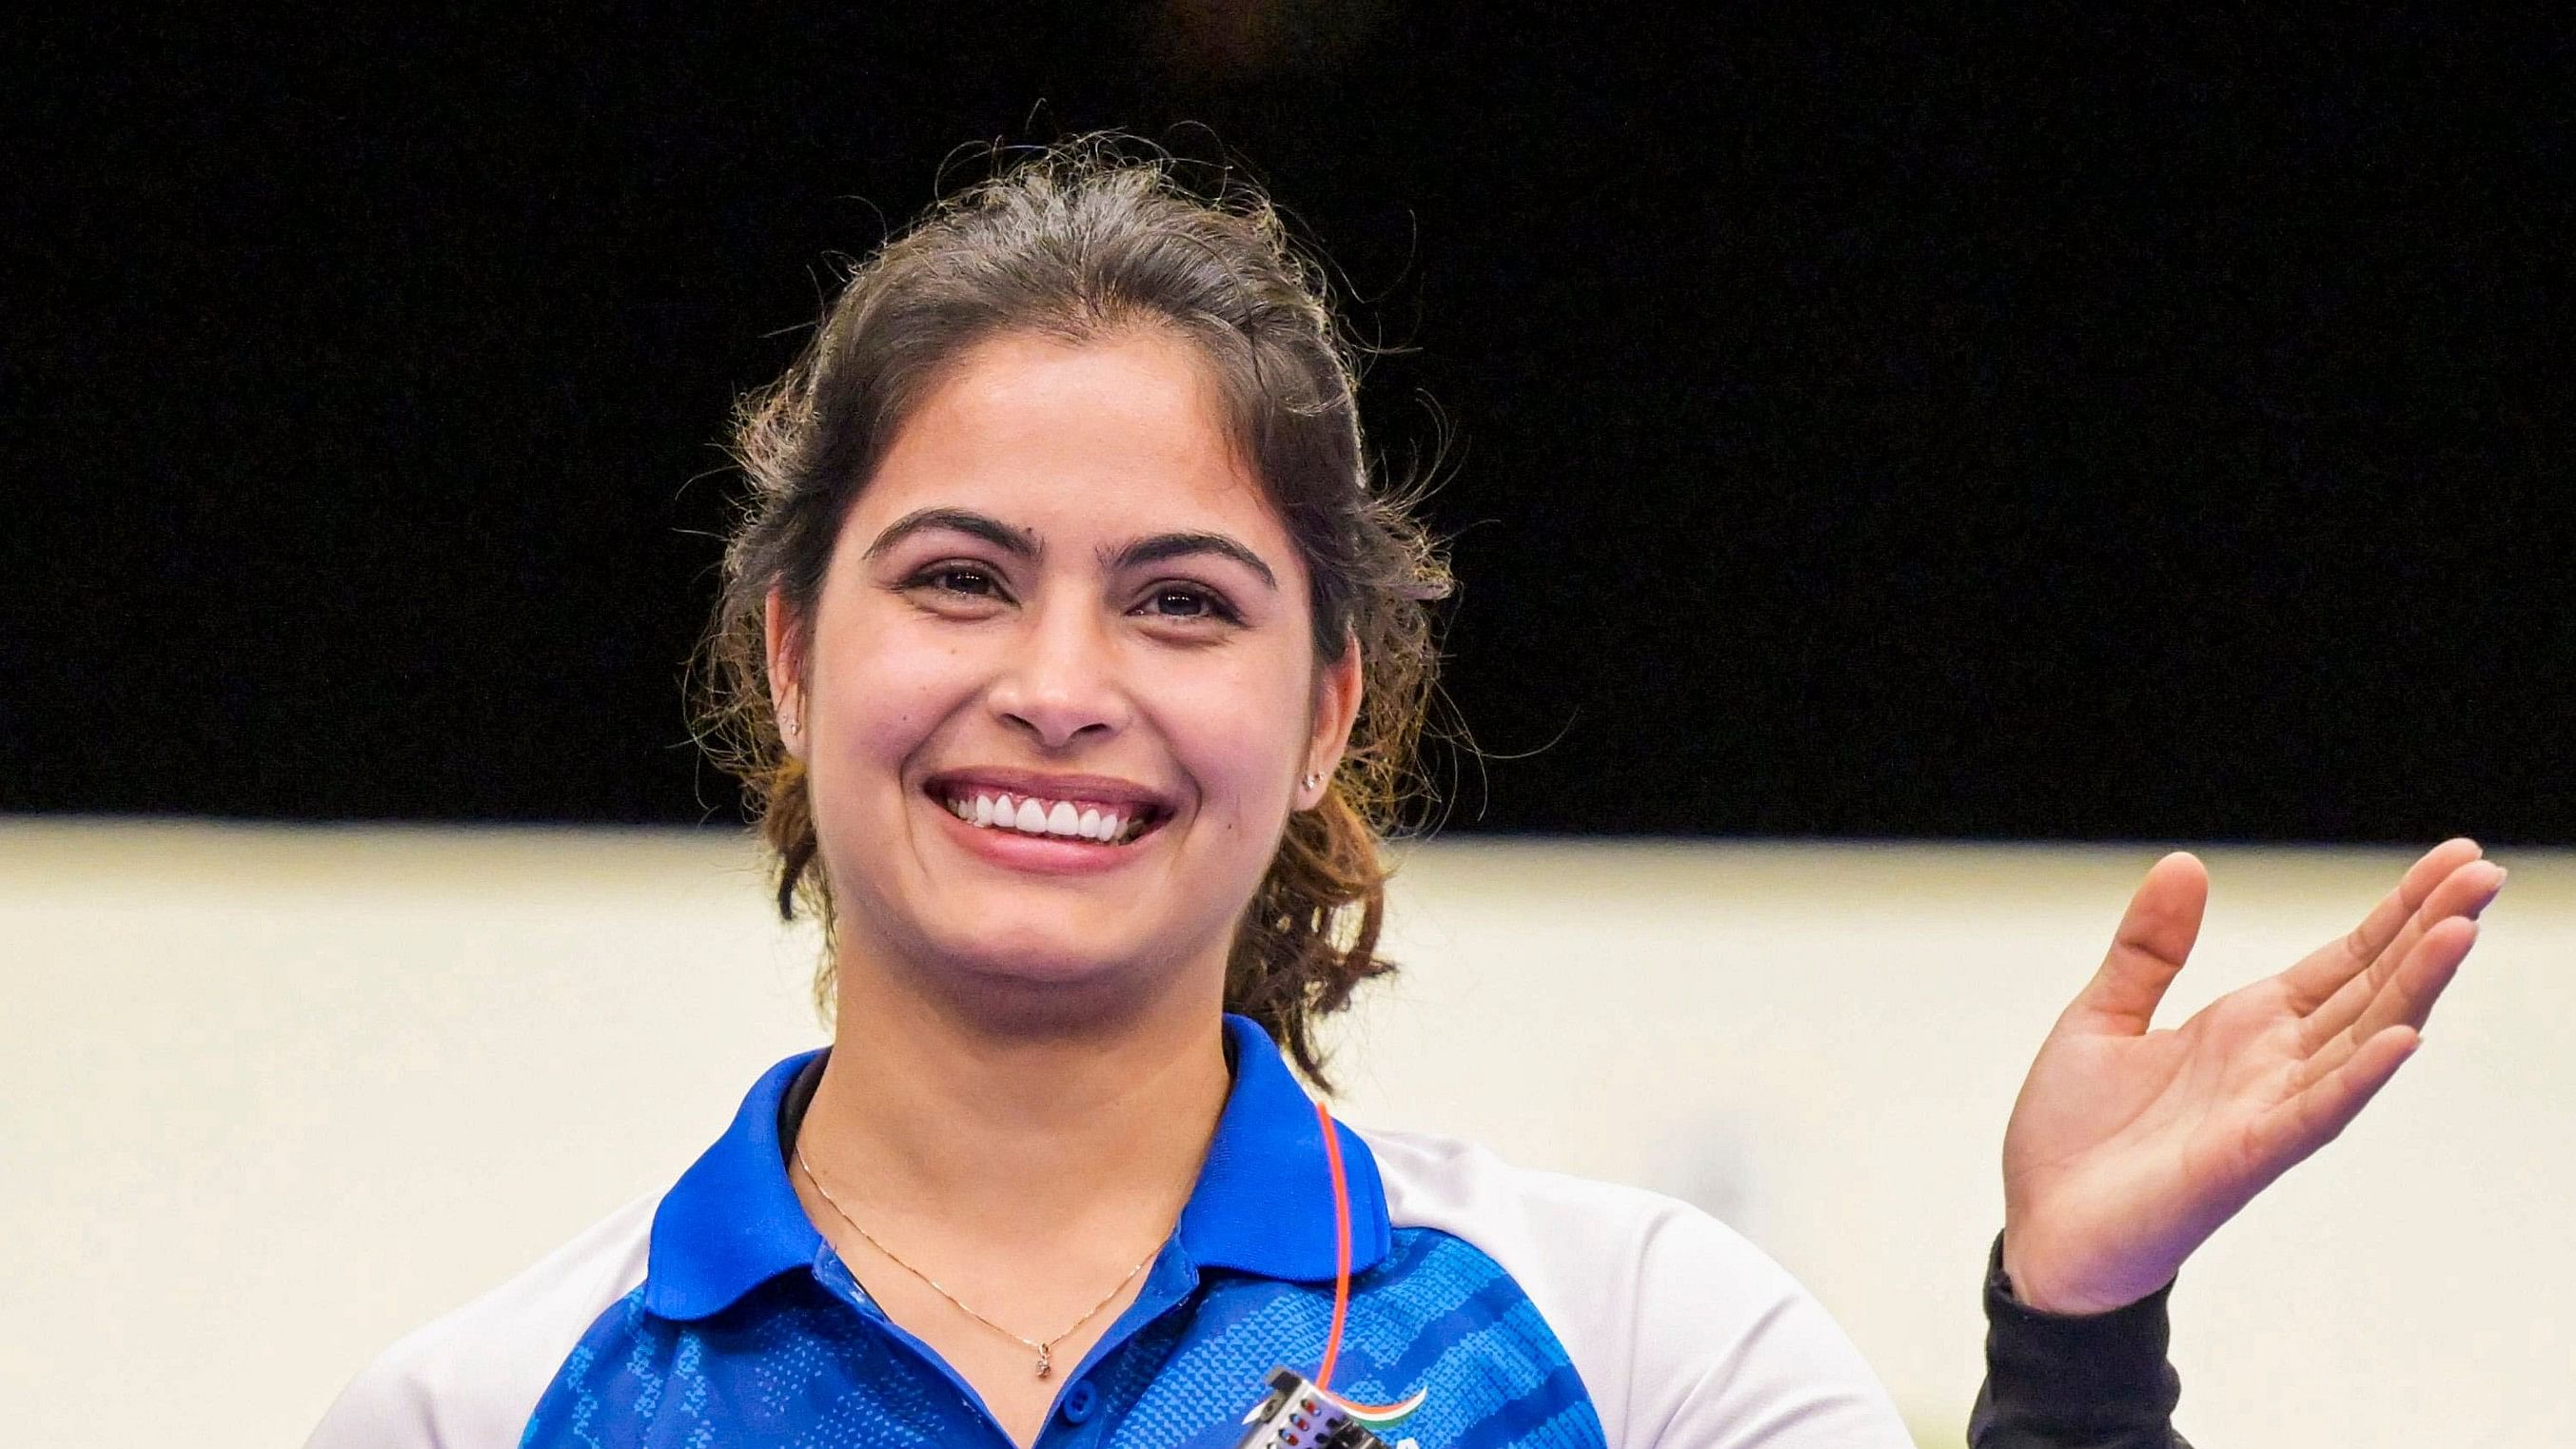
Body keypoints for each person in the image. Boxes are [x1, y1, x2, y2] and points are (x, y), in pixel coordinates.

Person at [305, 141, 2503, 1449]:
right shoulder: (490, 1409)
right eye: (960, 580)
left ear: (1334, 700)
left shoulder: (1631, 1344)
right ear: (789, 650)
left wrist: (2078, 1346)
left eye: (1181, 602)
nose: (1059, 689)